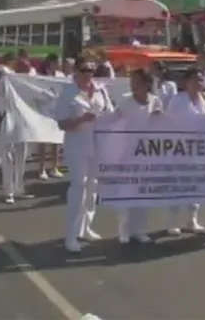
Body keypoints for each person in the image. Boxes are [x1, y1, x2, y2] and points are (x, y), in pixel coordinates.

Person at [55, 57, 115, 253]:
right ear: (76, 72)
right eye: (84, 70)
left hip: (97, 145)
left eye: (91, 70)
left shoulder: (100, 91)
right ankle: (71, 235)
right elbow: (62, 124)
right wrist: (81, 119)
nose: (89, 74)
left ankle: (85, 227)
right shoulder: (68, 93)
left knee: (93, 186)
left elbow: (110, 114)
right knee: (78, 187)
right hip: (77, 146)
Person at [114, 68, 161, 245]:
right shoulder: (125, 102)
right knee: (126, 193)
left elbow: (162, 126)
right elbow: (113, 123)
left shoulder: (155, 101)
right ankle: (124, 230)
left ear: (146, 84)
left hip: (148, 154)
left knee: (143, 194)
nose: (133, 85)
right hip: (127, 154)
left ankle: (139, 230)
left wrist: (159, 118)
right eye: (132, 82)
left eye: (137, 82)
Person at [164, 67, 205, 235]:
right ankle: (173, 222)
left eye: (201, 79)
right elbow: (168, 123)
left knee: (196, 186)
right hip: (181, 149)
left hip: (199, 149)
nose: (199, 83)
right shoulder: (177, 100)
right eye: (195, 79)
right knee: (178, 185)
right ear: (187, 82)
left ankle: (192, 220)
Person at [0, 52, 32, 203]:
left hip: (21, 118)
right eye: (22, 64)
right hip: (5, 116)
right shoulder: (1, 75)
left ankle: (19, 188)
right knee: (8, 156)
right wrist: (0, 78)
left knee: (21, 155)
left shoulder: (24, 80)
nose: (26, 67)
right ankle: (9, 191)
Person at [37, 53, 65, 180]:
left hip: (57, 112)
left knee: (56, 141)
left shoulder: (60, 76)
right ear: (51, 63)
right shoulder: (41, 76)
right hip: (44, 112)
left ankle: (54, 167)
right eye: (57, 62)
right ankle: (41, 168)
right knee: (43, 141)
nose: (59, 64)